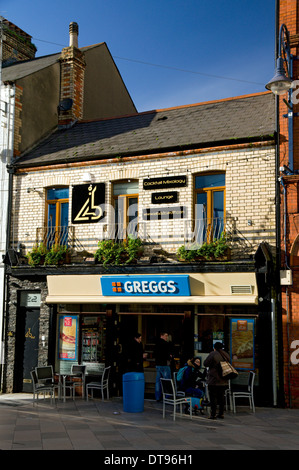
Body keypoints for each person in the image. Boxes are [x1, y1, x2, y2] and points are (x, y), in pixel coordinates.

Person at [204, 342, 229, 419]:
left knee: (213, 397)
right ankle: (221, 413)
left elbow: (205, 363)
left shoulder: (213, 354)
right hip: (223, 379)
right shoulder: (226, 354)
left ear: (214, 347)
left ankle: (213, 414)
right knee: (221, 397)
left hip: (214, 379)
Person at [154, 331, 173, 401]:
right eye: (166, 336)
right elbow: (168, 355)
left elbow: (154, 354)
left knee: (158, 382)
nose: (166, 337)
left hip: (158, 364)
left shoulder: (156, 344)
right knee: (166, 381)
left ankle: (157, 397)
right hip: (165, 364)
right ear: (161, 335)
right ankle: (167, 396)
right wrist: (170, 357)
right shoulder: (166, 344)